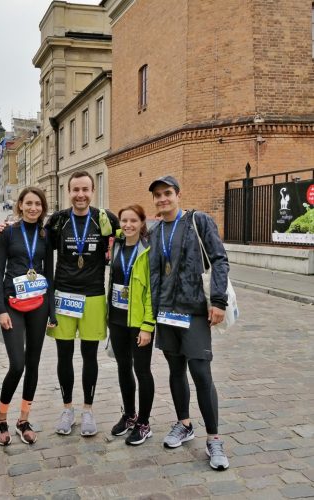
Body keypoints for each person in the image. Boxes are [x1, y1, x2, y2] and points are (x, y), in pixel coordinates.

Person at [147, 175, 230, 470]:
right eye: (158, 195)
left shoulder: (199, 221)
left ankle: (214, 438)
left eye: (167, 193)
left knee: (200, 372)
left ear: (178, 195)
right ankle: (184, 424)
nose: (162, 199)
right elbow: (154, 272)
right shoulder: (155, 231)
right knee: (175, 370)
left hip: (194, 310)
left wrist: (218, 300)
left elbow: (219, 259)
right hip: (167, 312)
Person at [46, 171, 119, 436]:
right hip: (64, 295)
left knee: (90, 356)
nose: (80, 195)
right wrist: (6, 229)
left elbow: (132, 235)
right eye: (76, 190)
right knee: (64, 355)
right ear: (69, 191)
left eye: (85, 189)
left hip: (93, 296)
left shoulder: (105, 219)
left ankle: (88, 410)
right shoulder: (58, 220)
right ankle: (68, 409)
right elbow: (35, 242)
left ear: (92, 191)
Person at [0, 187, 57, 445]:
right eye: (28, 203)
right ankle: (1, 418)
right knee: (17, 364)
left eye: (38, 204)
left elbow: (49, 273)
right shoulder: (8, 233)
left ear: (43, 207)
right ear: (20, 205)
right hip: (13, 304)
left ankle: (23, 419)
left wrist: (52, 311)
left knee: (33, 363)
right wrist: (0, 310)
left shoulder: (46, 235)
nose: (33, 208)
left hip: (39, 304)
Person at [107, 204, 156, 446]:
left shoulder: (148, 250)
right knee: (123, 367)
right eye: (124, 220)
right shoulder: (116, 244)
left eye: (133, 221)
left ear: (142, 223)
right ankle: (129, 415)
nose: (128, 225)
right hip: (117, 319)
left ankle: (144, 423)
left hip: (139, 322)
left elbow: (151, 292)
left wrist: (148, 325)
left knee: (142, 370)